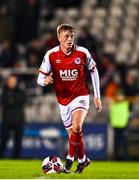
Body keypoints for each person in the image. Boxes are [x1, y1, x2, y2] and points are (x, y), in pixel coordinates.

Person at [37, 24, 102, 173]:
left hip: (81, 95)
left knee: (77, 126)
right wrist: (45, 80)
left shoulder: (82, 53)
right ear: (59, 38)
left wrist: (97, 96)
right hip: (63, 100)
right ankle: (83, 160)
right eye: (66, 36)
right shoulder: (51, 55)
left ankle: (69, 161)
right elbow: (39, 79)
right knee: (74, 135)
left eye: (72, 36)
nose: (70, 39)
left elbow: (94, 71)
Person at [0, 74, 26, 159]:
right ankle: (1, 157)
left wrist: (12, 98)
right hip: (7, 120)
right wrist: (12, 100)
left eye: (14, 81)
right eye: (11, 81)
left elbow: (22, 101)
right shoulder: (4, 91)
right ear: (7, 82)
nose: (12, 83)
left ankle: (16, 158)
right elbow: (4, 102)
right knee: (4, 140)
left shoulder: (20, 91)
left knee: (18, 142)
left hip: (19, 120)